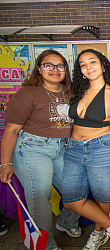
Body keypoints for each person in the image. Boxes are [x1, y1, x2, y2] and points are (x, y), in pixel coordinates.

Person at [0, 50, 82, 250]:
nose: (55, 70)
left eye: (60, 66)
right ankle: (45, 245)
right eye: (49, 65)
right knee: (41, 199)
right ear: (39, 68)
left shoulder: (68, 92)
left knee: (76, 191)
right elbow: (11, 130)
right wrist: (5, 163)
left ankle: (66, 223)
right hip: (32, 149)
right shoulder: (27, 94)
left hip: (61, 149)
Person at [62, 49, 110, 250]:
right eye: (83, 64)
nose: (88, 67)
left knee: (102, 197)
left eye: (92, 62)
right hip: (74, 148)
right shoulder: (77, 91)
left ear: (102, 65)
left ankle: (98, 234)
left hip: (102, 148)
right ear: (81, 71)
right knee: (71, 200)